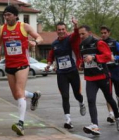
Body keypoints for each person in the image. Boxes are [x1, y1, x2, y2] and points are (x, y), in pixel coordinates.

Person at [0, 5, 43, 136]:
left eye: (8, 15)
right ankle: (34, 96)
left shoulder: (24, 27)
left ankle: (20, 124)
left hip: (23, 64)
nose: (6, 17)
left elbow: (40, 37)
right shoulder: (2, 29)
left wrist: (35, 42)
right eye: (4, 15)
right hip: (9, 65)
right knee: (17, 95)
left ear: (15, 15)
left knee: (19, 93)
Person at [78, 25, 119, 135]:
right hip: (90, 78)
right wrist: (82, 64)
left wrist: (94, 58)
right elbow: (83, 59)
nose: (81, 36)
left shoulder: (99, 43)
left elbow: (108, 56)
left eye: (83, 34)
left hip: (103, 76)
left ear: (89, 33)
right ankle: (95, 125)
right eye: (79, 34)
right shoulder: (82, 46)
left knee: (109, 99)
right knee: (90, 100)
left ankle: (117, 118)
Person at [45, 18, 86, 129]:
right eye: (59, 30)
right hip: (61, 73)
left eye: (63, 29)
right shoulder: (54, 44)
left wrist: (76, 25)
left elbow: (76, 35)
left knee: (77, 94)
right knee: (65, 96)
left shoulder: (70, 39)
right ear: (56, 31)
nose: (61, 31)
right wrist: (48, 64)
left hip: (73, 71)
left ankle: (81, 103)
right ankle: (68, 120)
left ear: (65, 29)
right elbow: (51, 56)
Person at [100, 26, 119, 123]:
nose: (103, 34)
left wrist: (115, 58)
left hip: (115, 69)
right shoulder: (99, 43)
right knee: (108, 93)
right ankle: (111, 114)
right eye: (101, 33)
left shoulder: (114, 43)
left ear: (109, 33)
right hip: (105, 70)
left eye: (105, 33)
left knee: (117, 90)